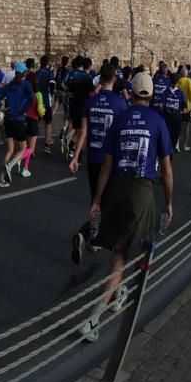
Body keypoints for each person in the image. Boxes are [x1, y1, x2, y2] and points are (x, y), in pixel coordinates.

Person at [81, 72, 175, 342]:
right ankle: (93, 318)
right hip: (140, 191)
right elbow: (167, 170)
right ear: (152, 95)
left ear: (130, 92)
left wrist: (97, 199)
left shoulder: (121, 117)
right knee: (124, 256)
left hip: (116, 188)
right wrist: (168, 202)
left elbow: (107, 166)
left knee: (122, 249)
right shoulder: (158, 121)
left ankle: (118, 292)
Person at [69, 62, 125, 271]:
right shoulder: (120, 104)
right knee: (108, 202)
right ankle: (88, 235)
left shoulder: (90, 103)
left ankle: (93, 237)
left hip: (93, 157)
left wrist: (75, 157)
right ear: (115, 79)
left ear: (100, 79)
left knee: (95, 199)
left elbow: (82, 132)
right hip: (111, 160)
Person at [0, 63, 35, 188]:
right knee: (23, 147)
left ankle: (1, 177)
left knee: (10, 149)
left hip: (8, 120)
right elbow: (32, 98)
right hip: (18, 120)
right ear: (23, 74)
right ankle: (10, 166)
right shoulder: (26, 84)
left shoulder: (10, 85)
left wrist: (1, 107)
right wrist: (24, 109)